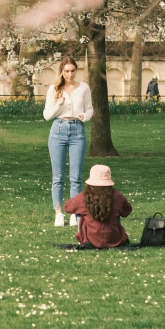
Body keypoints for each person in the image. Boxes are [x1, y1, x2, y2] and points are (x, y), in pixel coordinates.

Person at [43, 56, 93, 227]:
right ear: (62, 71)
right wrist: (58, 105)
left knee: (76, 178)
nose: (70, 74)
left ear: (76, 71)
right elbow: (47, 115)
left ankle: (74, 213)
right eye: (67, 71)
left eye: (72, 71)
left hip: (77, 130)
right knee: (58, 177)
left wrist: (85, 116)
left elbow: (90, 108)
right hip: (58, 130)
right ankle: (58, 213)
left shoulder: (84, 88)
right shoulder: (54, 89)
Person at [65, 164, 132, 249]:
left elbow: (68, 207)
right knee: (116, 213)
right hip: (114, 240)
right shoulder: (117, 196)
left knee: (78, 212)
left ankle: (83, 239)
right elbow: (127, 211)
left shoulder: (83, 197)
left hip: (91, 241)